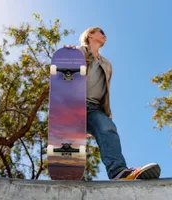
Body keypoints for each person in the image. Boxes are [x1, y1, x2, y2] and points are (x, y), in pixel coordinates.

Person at [64, 27, 161, 180]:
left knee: (107, 128)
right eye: (101, 32)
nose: (104, 35)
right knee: (71, 142)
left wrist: (105, 114)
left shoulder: (107, 64)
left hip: (95, 108)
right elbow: (64, 71)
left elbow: (105, 91)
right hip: (74, 105)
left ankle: (119, 173)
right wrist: (67, 55)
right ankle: (67, 173)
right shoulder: (78, 52)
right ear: (90, 34)